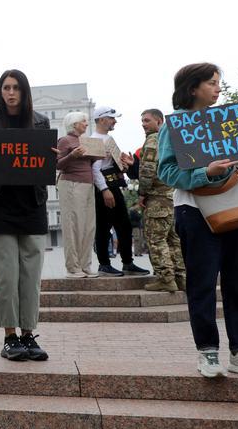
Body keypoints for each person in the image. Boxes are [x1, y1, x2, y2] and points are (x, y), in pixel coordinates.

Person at [157, 62, 238, 379]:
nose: (217, 88)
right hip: (194, 211)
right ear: (192, 87)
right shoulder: (176, 125)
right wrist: (204, 172)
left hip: (235, 209)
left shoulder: (229, 122)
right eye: (211, 82)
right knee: (202, 282)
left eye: (219, 82)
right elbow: (166, 172)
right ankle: (208, 352)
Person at [0, 69, 51, 362]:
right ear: (0, 91)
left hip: (33, 206)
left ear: (24, 91)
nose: (11, 92)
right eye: (6, 87)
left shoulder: (41, 122)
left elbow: (47, 161)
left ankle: (29, 335)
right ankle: (9, 337)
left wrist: (53, 156)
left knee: (31, 277)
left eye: (16, 87)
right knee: (5, 277)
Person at [89, 107, 149, 277]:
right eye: (111, 118)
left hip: (114, 185)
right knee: (104, 227)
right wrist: (104, 190)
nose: (115, 121)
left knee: (124, 225)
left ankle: (127, 263)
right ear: (101, 120)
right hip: (105, 188)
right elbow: (95, 169)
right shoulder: (94, 140)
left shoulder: (108, 138)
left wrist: (124, 166)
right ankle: (104, 264)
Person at [136, 109, 187, 292]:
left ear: (159, 122)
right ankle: (181, 278)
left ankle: (166, 278)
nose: (143, 124)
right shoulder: (172, 139)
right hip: (173, 197)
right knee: (174, 240)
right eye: (142, 121)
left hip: (157, 198)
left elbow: (148, 169)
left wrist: (142, 192)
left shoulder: (153, 140)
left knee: (156, 240)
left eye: (147, 120)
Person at [56, 111, 98, 278]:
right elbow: (57, 165)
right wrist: (72, 155)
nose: (86, 124)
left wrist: (97, 156)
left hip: (88, 185)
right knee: (73, 226)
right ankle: (73, 268)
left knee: (88, 227)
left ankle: (85, 265)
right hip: (71, 184)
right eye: (83, 122)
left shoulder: (85, 141)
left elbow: (88, 162)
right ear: (74, 124)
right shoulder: (65, 140)